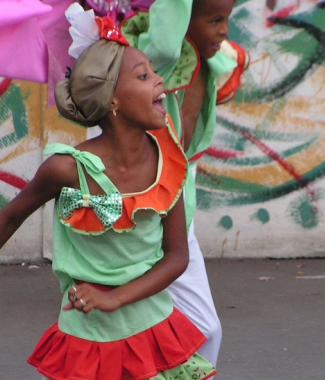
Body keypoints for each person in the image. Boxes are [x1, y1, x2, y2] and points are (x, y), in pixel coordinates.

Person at [0, 12, 216, 380]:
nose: (160, 79)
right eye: (144, 75)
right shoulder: (67, 170)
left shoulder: (169, 162)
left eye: (152, 71)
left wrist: (115, 297)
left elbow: (177, 256)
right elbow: (10, 217)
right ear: (112, 100)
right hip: (88, 337)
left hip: (153, 327)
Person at [103, 0, 247, 366]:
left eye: (227, 19)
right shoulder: (159, 64)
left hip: (176, 209)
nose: (224, 29)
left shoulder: (208, 63)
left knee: (195, 330)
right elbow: (166, 43)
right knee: (192, 329)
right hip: (141, 213)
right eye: (215, 19)